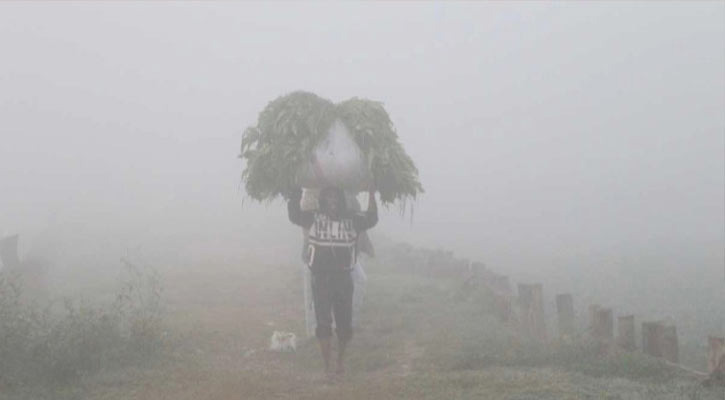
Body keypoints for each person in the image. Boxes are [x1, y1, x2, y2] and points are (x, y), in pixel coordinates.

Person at [288, 185, 378, 378]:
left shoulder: (352, 220)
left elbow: (371, 219)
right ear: (322, 201)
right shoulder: (313, 217)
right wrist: (293, 191)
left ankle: (340, 362)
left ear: (341, 201)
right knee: (323, 323)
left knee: (344, 326)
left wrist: (371, 194)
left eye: (336, 198)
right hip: (320, 278)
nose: (332, 202)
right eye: (328, 198)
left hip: (344, 278)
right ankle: (327, 366)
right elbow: (294, 215)